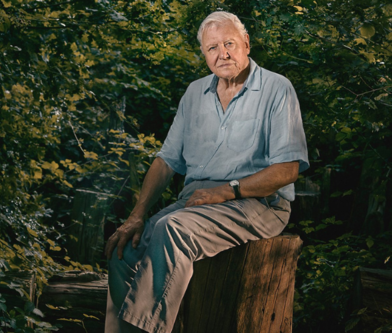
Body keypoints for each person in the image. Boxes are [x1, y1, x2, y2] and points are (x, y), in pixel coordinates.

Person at [104, 10, 309, 333]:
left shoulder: (276, 89)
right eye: (212, 48)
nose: (222, 53)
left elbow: (288, 169)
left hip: (257, 203)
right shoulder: (194, 94)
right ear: (204, 54)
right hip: (197, 203)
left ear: (246, 43)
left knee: (172, 229)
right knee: (123, 250)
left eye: (229, 43)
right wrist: (138, 213)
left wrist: (227, 190)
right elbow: (166, 161)